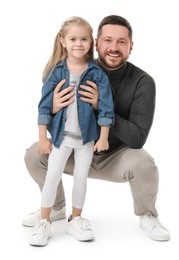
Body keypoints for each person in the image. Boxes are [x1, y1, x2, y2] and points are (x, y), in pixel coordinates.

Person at [23, 15, 170, 242]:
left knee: (143, 162)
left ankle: (147, 215)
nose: (113, 47)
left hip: (113, 156)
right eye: (108, 40)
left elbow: (138, 138)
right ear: (97, 43)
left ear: (131, 46)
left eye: (121, 42)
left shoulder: (142, 81)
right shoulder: (67, 70)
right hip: (73, 147)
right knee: (34, 154)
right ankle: (56, 208)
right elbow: (55, 118)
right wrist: (52, 108)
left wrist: (99, 104)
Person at [28, 16, 114, 246]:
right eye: (73, 39)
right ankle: (44, 221)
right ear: (62, 41)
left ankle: (75, 219)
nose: (79, 43)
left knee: (80, 180)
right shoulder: (56, 73)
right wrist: (41, 137)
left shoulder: (97, 74)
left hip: (86, 140)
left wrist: (103, 136)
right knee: (52, 178)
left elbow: (106, 107)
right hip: (61, 139)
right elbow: (44, 107)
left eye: (84, 39)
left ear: (92, 42)